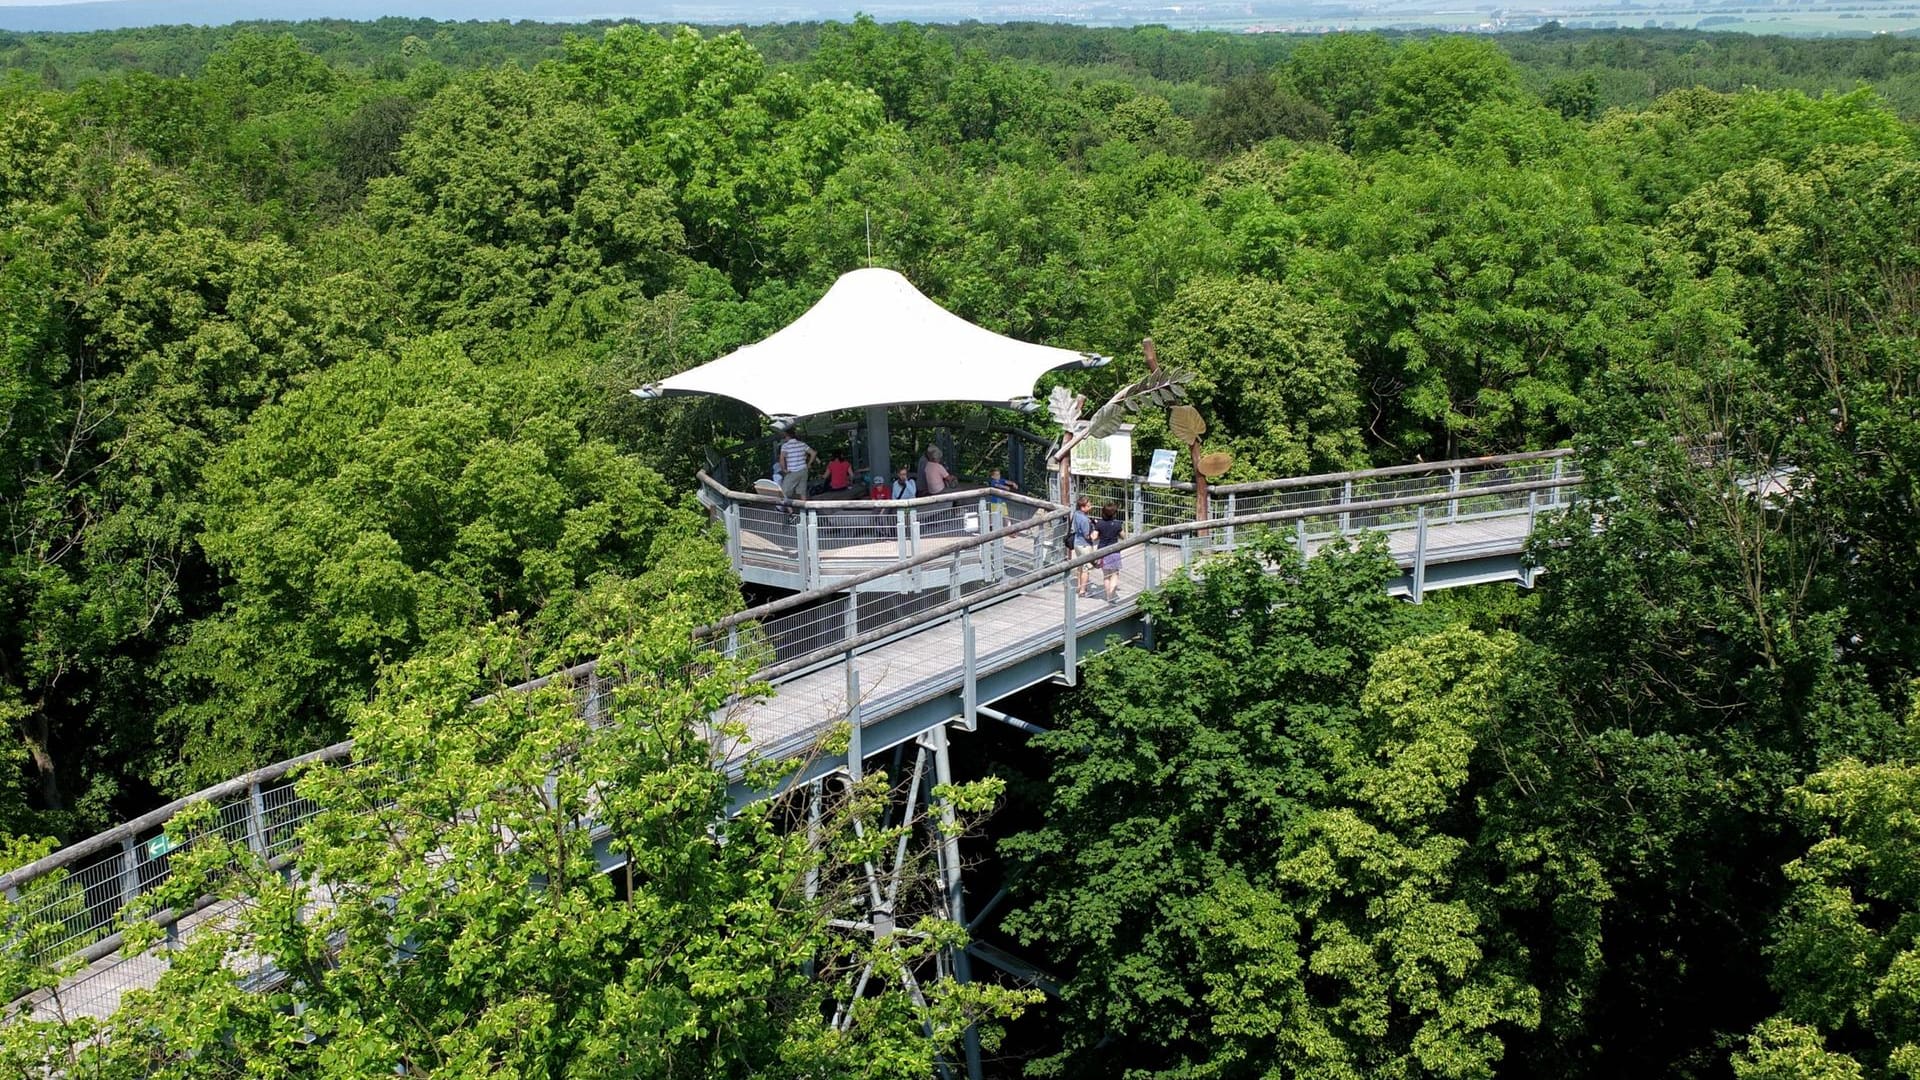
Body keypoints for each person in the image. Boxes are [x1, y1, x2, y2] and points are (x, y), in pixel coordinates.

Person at [1093, 503, 1124, 603]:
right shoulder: (1117, 524)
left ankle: (1108, 597)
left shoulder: (1099, 524)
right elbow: (1123, 536)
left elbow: (1094, 537)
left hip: (1102, 552)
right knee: (1115, 574)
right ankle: (1112, 595)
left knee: (1106, 576)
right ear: (1114, 513)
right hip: (1115, 551)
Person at [776, 429, 815, 503]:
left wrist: (784, 469)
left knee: (783, 492)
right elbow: (813, 453)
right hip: (803, 470)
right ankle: (804, 510)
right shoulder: (802, 444)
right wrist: (809, 464)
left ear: (787, 436)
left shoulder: (785, 446)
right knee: (802, 492)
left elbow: (781, 459)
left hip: (792, 471)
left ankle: (790, 512)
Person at [1068, 495, 1093, 596]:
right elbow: (1087, 535)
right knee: (1086, 568)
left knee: (1080, 566)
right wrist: (1095, 535)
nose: (1090, 507)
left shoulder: (1076, 514)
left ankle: (1079, 586)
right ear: (1083, 507)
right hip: (1084, 545)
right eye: (1088, 506)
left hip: (1077, 543)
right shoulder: (1084, 520)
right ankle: (1083, 590)